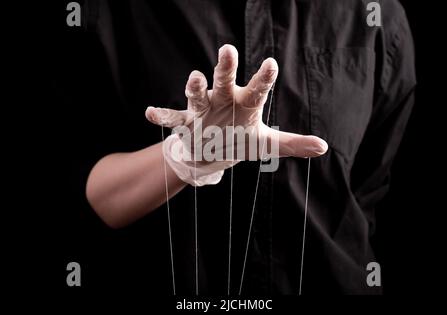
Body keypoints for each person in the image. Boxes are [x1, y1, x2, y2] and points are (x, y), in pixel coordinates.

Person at [75, 0, 415, 294]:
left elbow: (369, 197)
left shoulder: (376, 14)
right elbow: (89, 194)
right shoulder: (113, 10)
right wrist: (185, 157)